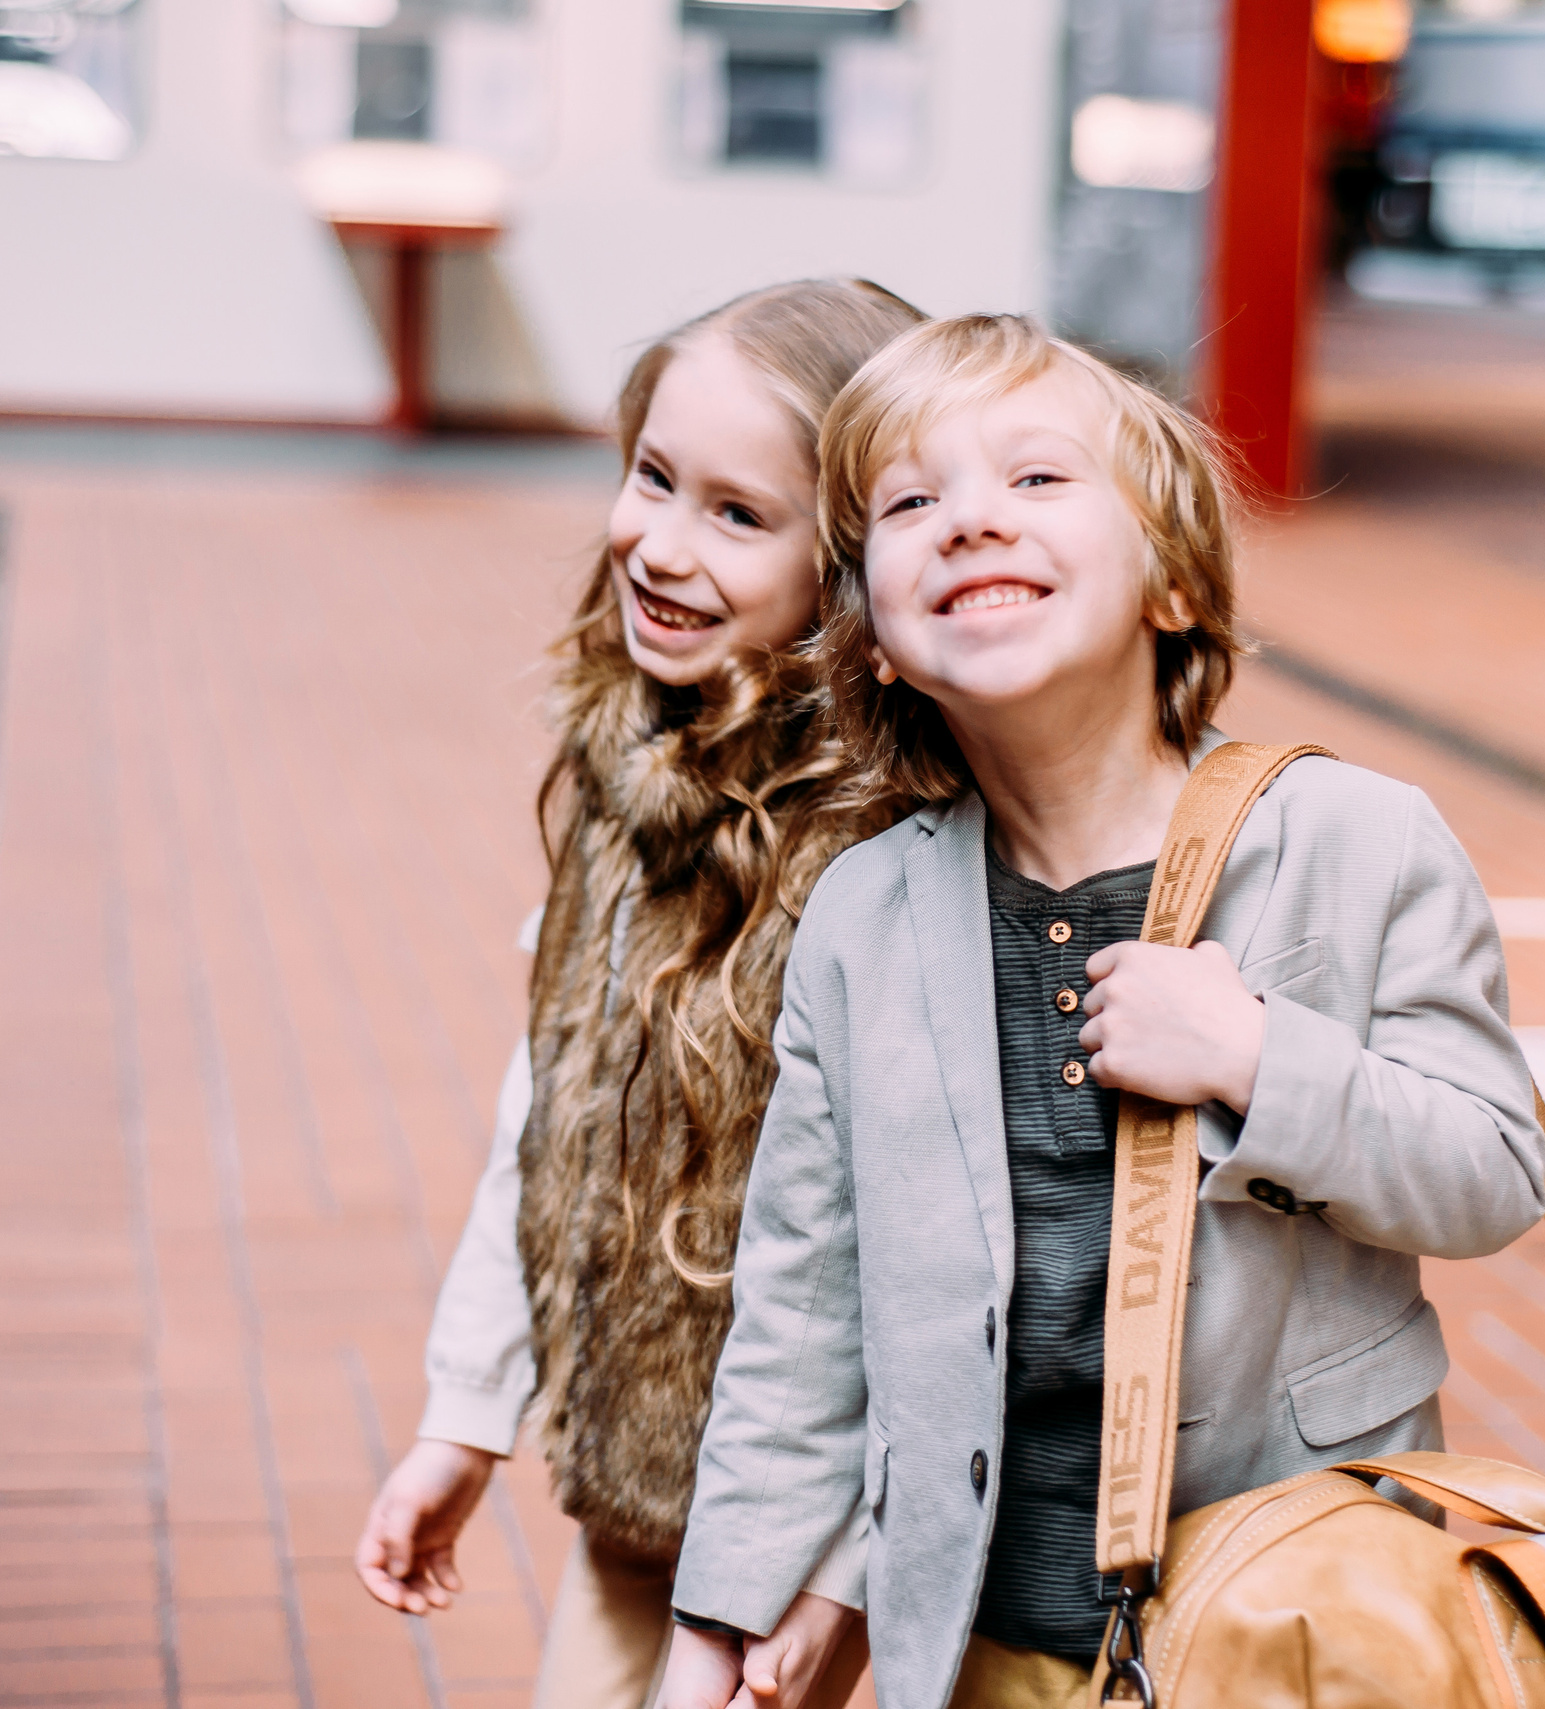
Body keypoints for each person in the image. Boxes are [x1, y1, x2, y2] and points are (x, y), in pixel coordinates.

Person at [653, 314, 1545, 1709]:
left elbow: (1494, 1173)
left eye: (1036, 480)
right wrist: (728, 1604)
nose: (967, 522)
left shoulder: (1356, 839)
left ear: (1172, 585)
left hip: (1303, 1627)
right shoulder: (862, 921)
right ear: (877, 643)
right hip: (989, 1640)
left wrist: (1259, 1059)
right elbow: (802, 1310)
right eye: (910, 501)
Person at [351, 278, 926, 1709]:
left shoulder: (884, 853)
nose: (660, 545)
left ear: (848, 564)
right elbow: (552, 1116)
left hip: (841, 1547)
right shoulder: (637, 777)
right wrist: (468, 1415)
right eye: (653, 476)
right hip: (645, 1499)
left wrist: (833, 1566)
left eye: (738, 514)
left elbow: (940, 1264)